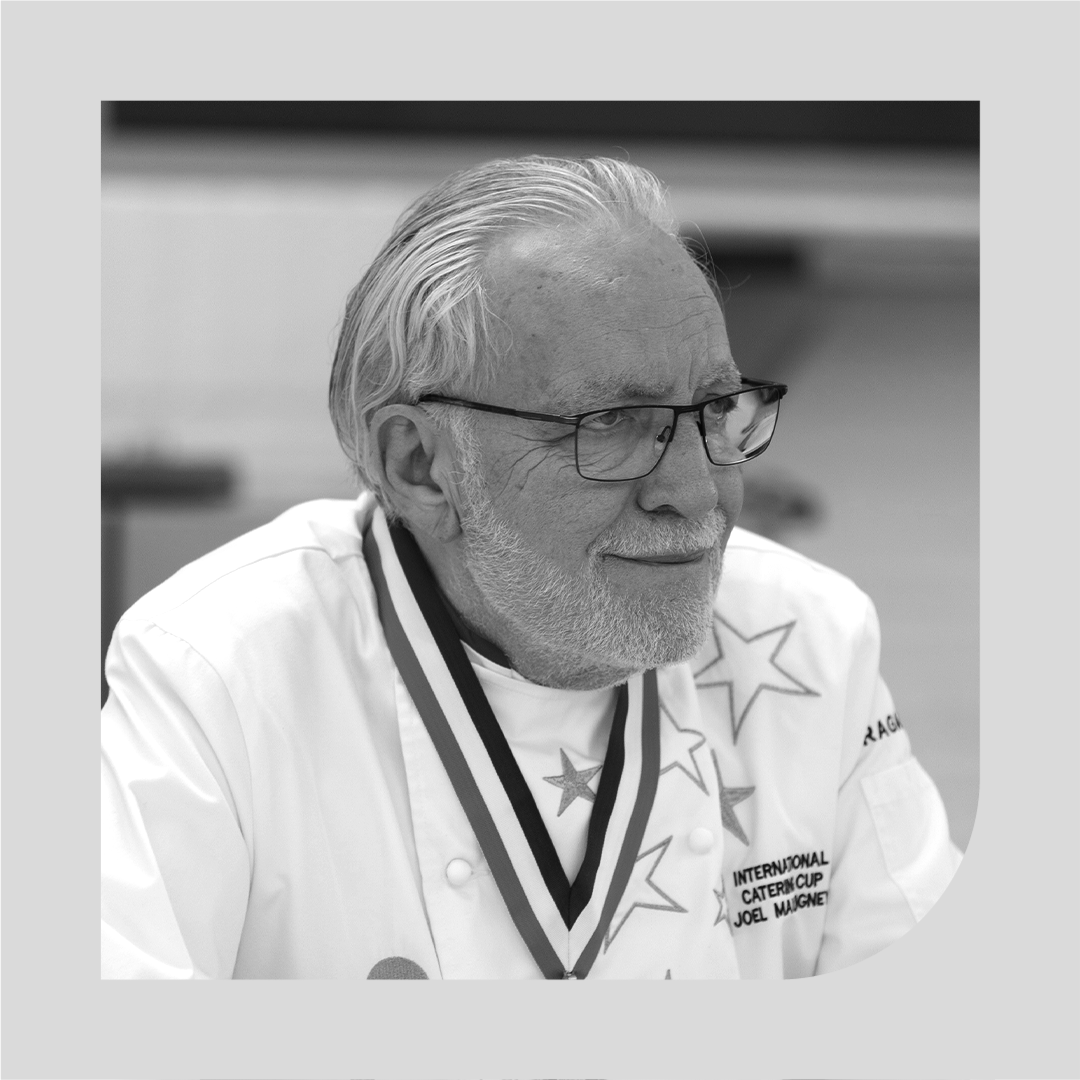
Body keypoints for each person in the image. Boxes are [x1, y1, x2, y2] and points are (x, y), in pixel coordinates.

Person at [101, 155, 961, 980]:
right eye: (612, 423)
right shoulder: (221, 669)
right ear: (420, 465)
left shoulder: (807, 639)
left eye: (714, 410)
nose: (697, 491)